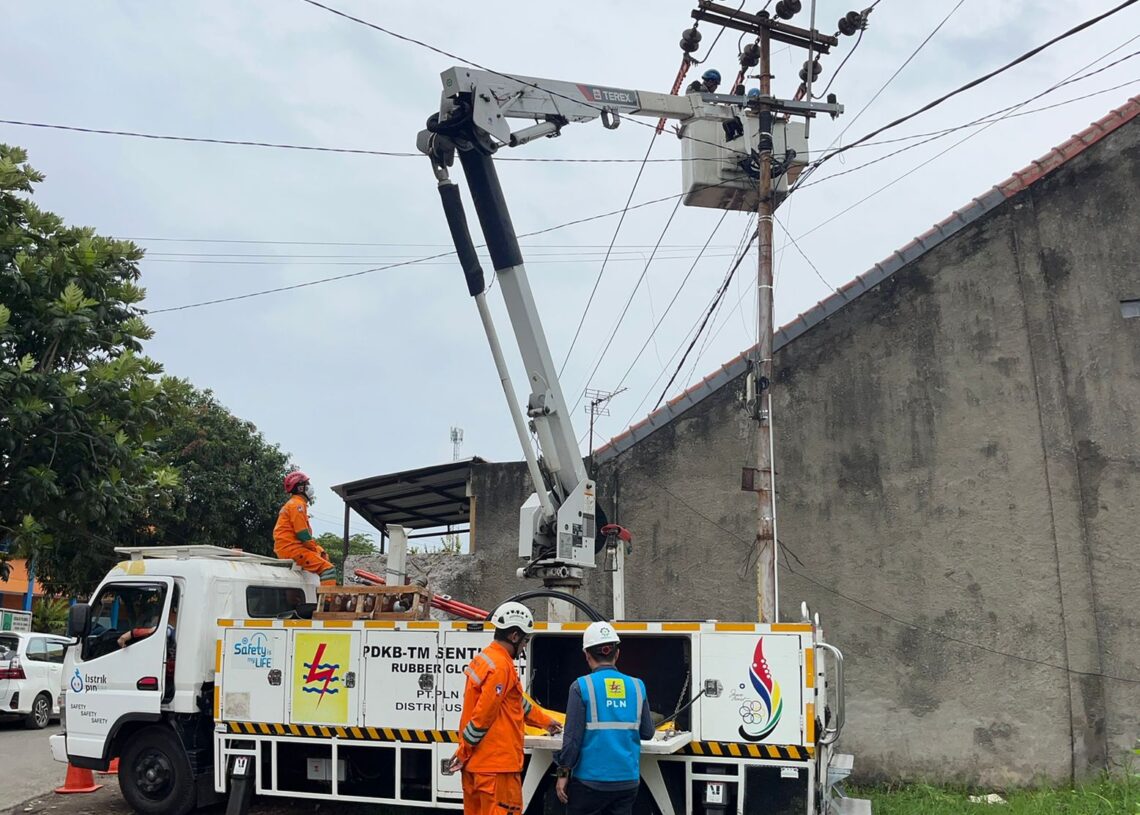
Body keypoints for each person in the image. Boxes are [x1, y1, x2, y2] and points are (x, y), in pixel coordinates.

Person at [447, 602, 562, 815]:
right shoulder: (501, 667)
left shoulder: (486, 659)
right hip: (497, 768)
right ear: (515, 636)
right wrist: (463, 751)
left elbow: (517, 702)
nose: (525, 646)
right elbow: (483, 717)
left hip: (477, 767)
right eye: (525, 640)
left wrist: (546, 722)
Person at [553, 622, 654, 815]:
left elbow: (572, 740)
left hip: (589, 783)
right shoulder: (637, 686)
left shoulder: (580, 686)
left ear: (587, 655)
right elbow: (647, 733)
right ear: (617, 654)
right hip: (627, 782)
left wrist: (562, 774)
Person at [273, 471, 337, 586]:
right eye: (307, 484)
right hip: (293, 550)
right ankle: (327, 602)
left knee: (322, 554)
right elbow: (303, 534)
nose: (310, 487)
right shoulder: (297, 506)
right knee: (329, 569)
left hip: (290, 548)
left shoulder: (294, 504)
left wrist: (318, 550)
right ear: (301, 488)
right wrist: (314, 549)